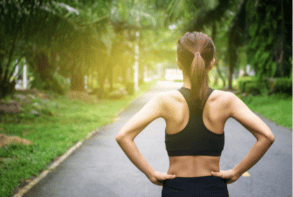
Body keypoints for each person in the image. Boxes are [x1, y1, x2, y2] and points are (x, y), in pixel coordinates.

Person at [116, 31, 275, 197]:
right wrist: (236, 172)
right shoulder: (227, 100)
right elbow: (267, 136)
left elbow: (123, 135)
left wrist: (150, 173)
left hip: (176, 189)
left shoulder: (165, 101)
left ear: (178, 63)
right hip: (214, 189)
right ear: (212, 63)